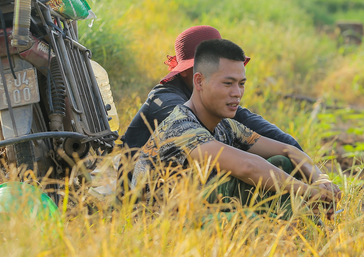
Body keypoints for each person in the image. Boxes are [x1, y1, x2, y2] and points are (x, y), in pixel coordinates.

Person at [131, 39, 341, 217]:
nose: (237, 93)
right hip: (163, 228)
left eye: (241, 84)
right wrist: (308, 191)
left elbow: (288, 150)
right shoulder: (180, 126)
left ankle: (303, 228)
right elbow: (247, 167)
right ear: (199, 81)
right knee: (255, 224)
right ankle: (293, 232)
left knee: (281, 163)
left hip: (198, 208)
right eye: (228, 83)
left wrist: (321, 180)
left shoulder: (226, 126)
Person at [124, 25, 304, 151]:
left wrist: (294, 151)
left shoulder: (211, 98)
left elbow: (252, 124)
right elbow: (200, 137)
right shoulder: (164, 100)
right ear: (188, 73)